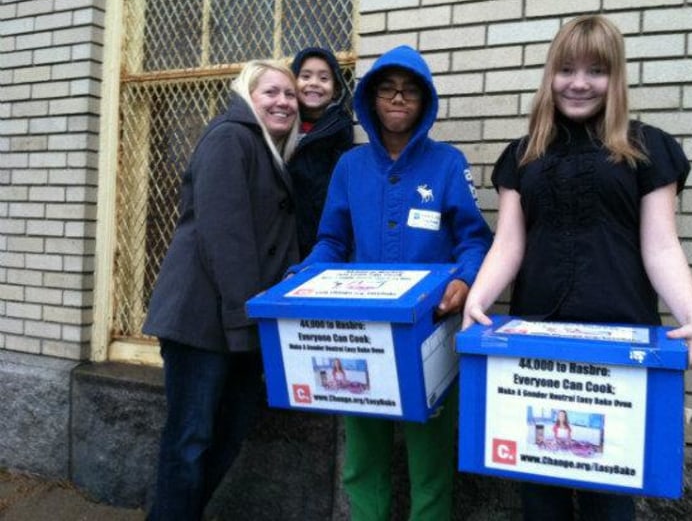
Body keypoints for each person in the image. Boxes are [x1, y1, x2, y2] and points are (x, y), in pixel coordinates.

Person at [463, 14, 692, 521]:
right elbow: (508, 244)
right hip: (536, 341)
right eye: (567, 69)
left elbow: (661, 245)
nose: (579, 83)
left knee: (611, 498)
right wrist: (477, 298)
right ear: (549, 75)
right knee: (540, 495)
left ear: (615, 78)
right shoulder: (522, 154)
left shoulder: (647, 147)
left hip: (619, 342)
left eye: (595, 70)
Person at [288, 45, 493, 520]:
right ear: (369, 99)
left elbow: (475, 241)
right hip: (365, 335)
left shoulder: (446, 163)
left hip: (431, 332)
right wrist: (303, 279)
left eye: (410, 92)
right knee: (363, 456)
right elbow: (332, 241)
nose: (398, 99)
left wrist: (464, 281)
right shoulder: (351, 167)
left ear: (425, 102)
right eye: (387, 90)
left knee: (431, 460)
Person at [143, 60, 301, 521]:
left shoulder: (265, 150)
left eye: (289, 95)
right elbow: (225, 238)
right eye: (271, 92)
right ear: (246, 97)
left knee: (225, 436)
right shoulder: (230, 138)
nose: (283, 101)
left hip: (237, 322)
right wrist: (244, 323)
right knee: (190, 440)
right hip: (201, 322)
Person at [288, 47, 355, 259]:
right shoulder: (279, 124)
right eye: (305, 76)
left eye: (324, 78)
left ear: (336, 89)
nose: (314, 83)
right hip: (279, 231)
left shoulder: (340, 128)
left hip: (319, 232)